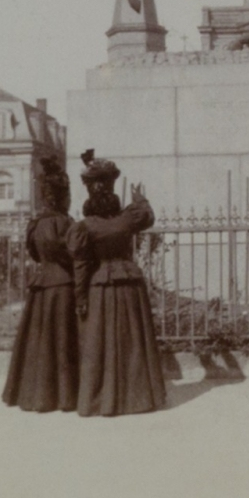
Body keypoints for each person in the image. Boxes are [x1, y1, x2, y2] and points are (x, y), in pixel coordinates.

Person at [66, 150, 166, 417]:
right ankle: (138, 398)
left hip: (99, 286)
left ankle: (102, 400)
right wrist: (139, 197)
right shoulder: (127, 219)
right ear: (112, 192)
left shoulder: (84, 227)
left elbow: (81, 265)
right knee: (133, 340)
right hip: (130, 284)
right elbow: (147, 214)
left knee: (99, 342)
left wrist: (80, 297)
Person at [2, 157, 79, 413]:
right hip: (64, 285)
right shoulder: (65, 224)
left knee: (41, 342)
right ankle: (66, 396)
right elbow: (73, 255)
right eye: (67, 195)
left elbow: (35, 254)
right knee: (62, 341)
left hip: (41, 285)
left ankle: (38, 395)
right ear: (62, 197)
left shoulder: (35, 225)